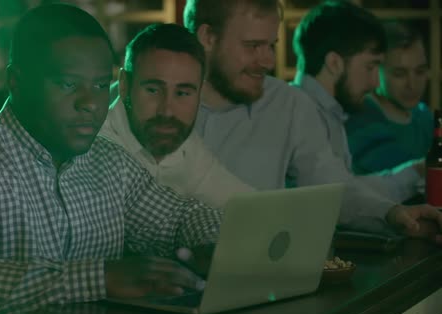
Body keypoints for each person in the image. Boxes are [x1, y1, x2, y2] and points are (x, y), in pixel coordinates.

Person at [0, 4, 220, 314]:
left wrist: (215, 246)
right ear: (16, 81)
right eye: (68, 84)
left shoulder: (111, 164)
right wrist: (98, 278)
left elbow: (178, 218)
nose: (90, 103)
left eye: (101, 86)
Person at [182, 0, 442, 236]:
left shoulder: (288, 104)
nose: (268, 61)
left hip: (258, 281)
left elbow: (332, 190)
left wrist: (393, 214)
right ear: (207, 37)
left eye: (271, 45)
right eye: (253, 46)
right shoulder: (155, 104)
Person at [100, 23, 254, 208]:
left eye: (182, 93)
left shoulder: (186, 146)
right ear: (124, 85)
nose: (167, 111)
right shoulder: (95, 146)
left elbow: (249, 205)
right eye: (153, 90)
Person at [291, 1, 423, 203]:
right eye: (370, 67)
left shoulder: (325, 111)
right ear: (334, 63)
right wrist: (399, 216)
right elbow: (339, 202)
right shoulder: (297, 114)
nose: (375, 82)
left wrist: (416, 172)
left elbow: (346, 187)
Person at [345, 20, 433, 176]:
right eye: (399, 74)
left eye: (420, 72)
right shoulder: (358, 120)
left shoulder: (425, 117)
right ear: (376, 70)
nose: (412, 85)